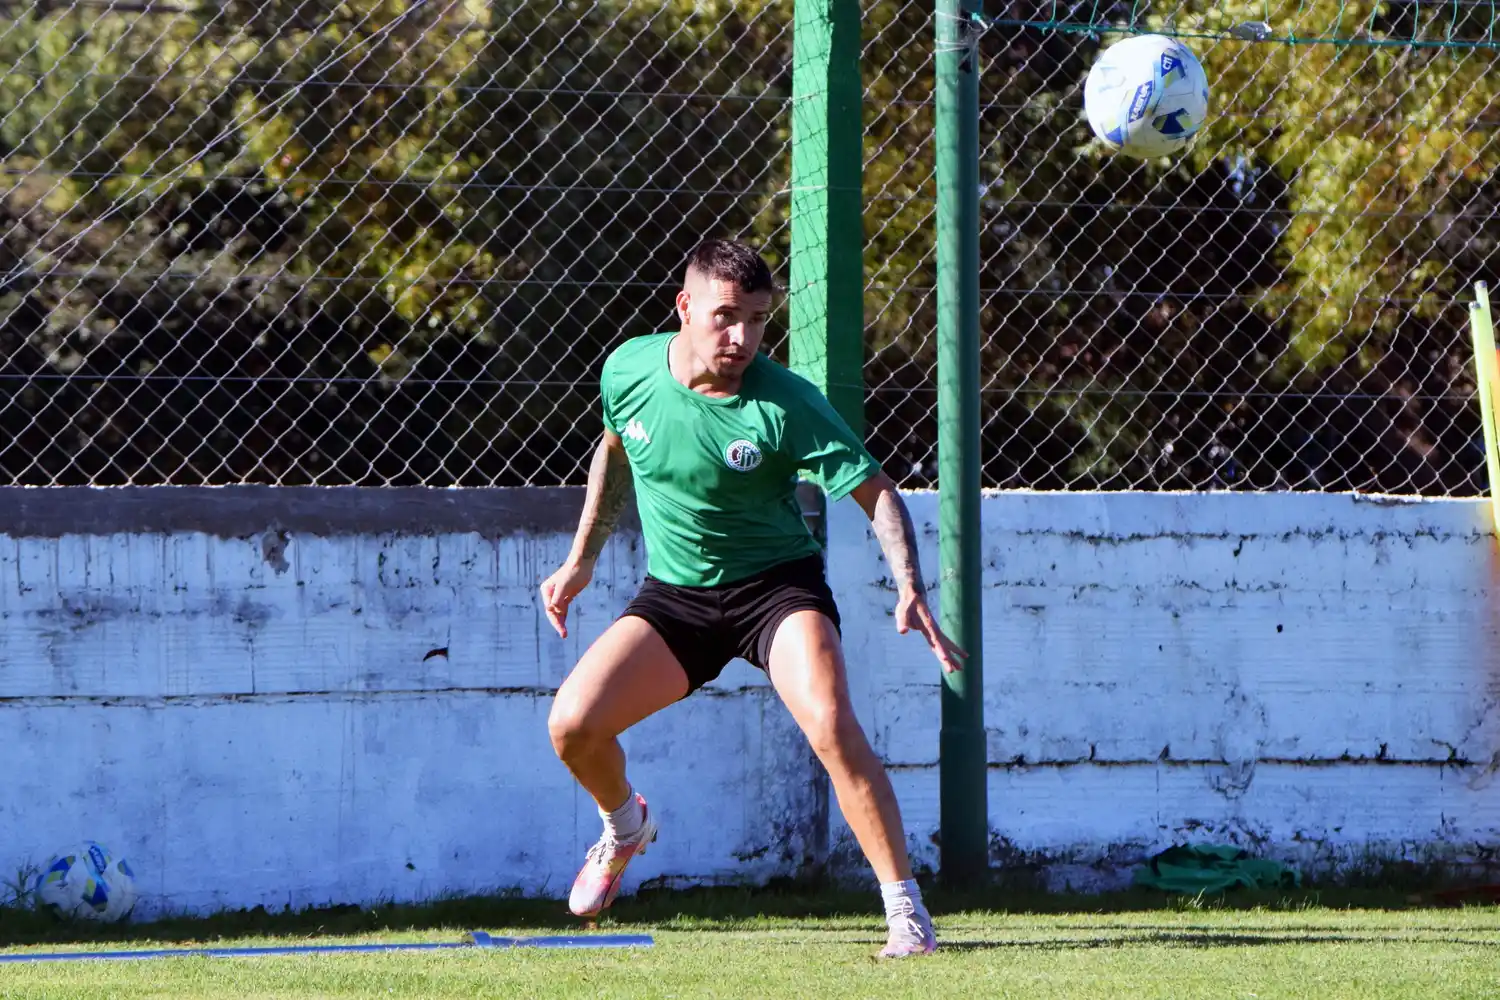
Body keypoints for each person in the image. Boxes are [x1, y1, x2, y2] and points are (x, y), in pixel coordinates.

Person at [539, 238, 967, 959]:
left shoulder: (786, 402)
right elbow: (615, 451)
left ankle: (905, 911)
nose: (742, 337)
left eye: (759, 319)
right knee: (573, 727)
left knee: (831, 725)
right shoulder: (628, 368)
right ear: (684, 307)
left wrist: (910, 584)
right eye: (726, 316)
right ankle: (625, 827)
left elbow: (876, 491)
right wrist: (581, 561)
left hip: (776, 590)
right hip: (676, 599)